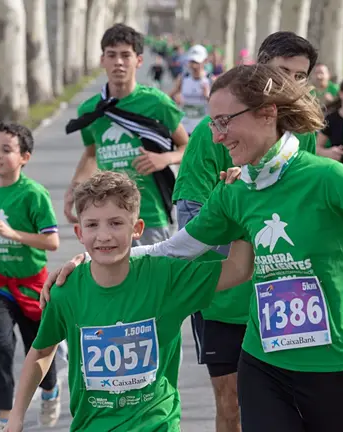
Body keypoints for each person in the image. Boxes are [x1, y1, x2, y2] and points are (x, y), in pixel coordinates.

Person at [43, 64, 343, 432]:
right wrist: (99, 257)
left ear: (267, 114)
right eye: (213, 122)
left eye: (225, 121)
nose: (216, 135)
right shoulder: (236, 190)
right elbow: (177, 248)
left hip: (337, 364)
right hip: (264, 362)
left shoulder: (326, 177)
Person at [6, 171, 255, 432]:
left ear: (137, 229)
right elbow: (42, 351)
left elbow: (238, 268)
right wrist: (17, 415)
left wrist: (240, 202)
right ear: (79, 232)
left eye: (115, 223)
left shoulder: (165, 278)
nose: (104, 236)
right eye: (92, 225)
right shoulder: (66, 291)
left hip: (157, 425)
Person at [170, 31, 320, 432]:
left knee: (289, 407)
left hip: (285, 296)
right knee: (233, 405)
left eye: (300, 76)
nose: (290, 84)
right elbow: (192, 224)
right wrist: (239, 211)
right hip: (225, 300)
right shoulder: (211, 133)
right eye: (281, 72)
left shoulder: (303, 136)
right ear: (257, 68)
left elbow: (304, 208)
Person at [0, 122, 61, 430]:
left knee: (39, 347)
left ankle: (50, 391)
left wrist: (13, 234)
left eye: (7, 150)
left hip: (32, 284)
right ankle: (7, 422)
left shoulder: (34, 194)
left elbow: (52, 241)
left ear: (25, 157)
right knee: (1, 347)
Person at [63, 24, 189, 247]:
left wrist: (164, 159)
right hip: (107, 218)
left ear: (139, 61)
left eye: (125, 55)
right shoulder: (90, 111)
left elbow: (188, 146)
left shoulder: (157, 103)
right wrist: (75, 188)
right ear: (103, 60)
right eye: (111, 55)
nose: (118, 62)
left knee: (152, 281)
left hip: (149, 216)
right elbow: (91, 154)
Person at [169, 44, 212, 135]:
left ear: (205, 61)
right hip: (185, 128)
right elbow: (169, 97)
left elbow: (219, 106)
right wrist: (175, 99)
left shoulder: (211, 80)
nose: (194, 66)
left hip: (203, 129)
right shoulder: (183, 78)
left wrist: (208, 96)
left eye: (197, 62)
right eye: (192, 62)